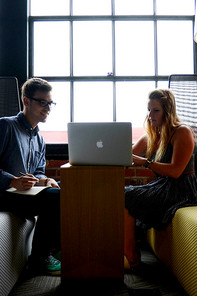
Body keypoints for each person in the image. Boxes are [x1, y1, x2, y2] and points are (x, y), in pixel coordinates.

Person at [124, 89, 197, 270]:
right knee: (123, 194)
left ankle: (131, 256)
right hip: (163, 185)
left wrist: (146, 163)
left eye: (155, 110)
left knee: (126, 196)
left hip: (182, 188)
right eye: (149, 110)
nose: (150, 115)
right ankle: (126, 252)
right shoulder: (153, 134)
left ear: (168, 110)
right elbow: (127, 156)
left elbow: (176, 171)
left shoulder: (182, 132)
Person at [0, 77, 61, 275]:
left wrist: (45, 179)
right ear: (26, 101)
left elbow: (38, 171)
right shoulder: (6, 126)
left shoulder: (40, 138)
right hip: (5, 193)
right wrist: (11, 180)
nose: (48, 108)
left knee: (65, 190)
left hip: (25, 195)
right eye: (42, 102)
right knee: (55, 198)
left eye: (50, 103)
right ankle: (39, 259)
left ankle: (58, 249)